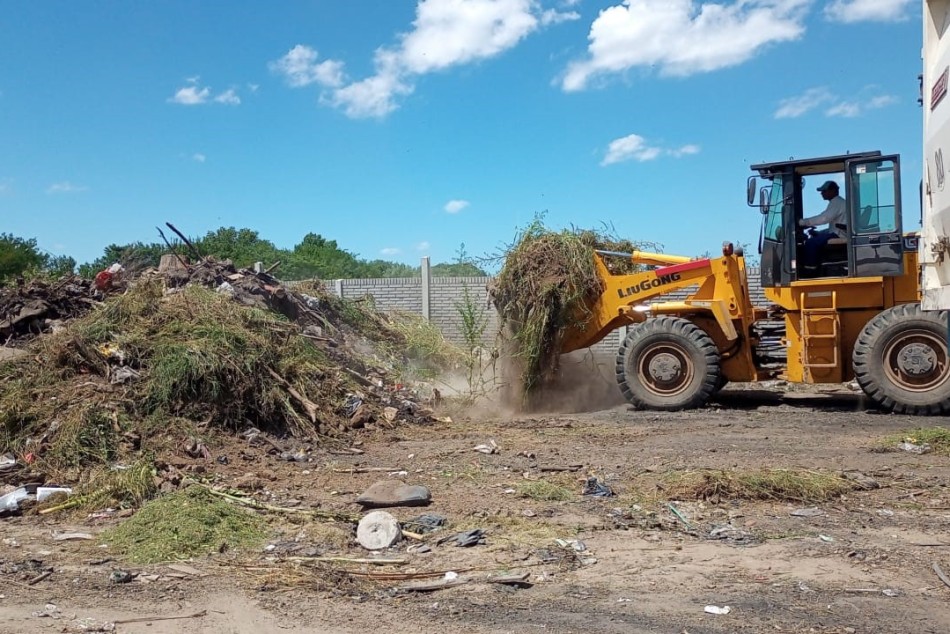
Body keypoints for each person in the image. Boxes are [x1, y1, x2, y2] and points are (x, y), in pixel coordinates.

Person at [798, 180, 846, 272]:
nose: (822, 193)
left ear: (833, 191)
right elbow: (833, 226)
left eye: (824, 191)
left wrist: (803, 222)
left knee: (810, 243)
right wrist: (818, 233)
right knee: (816, 239)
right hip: (839, 232)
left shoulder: (837, 203)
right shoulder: (837, 203)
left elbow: (824, 218)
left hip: (839, 234)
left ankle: (810, 270)